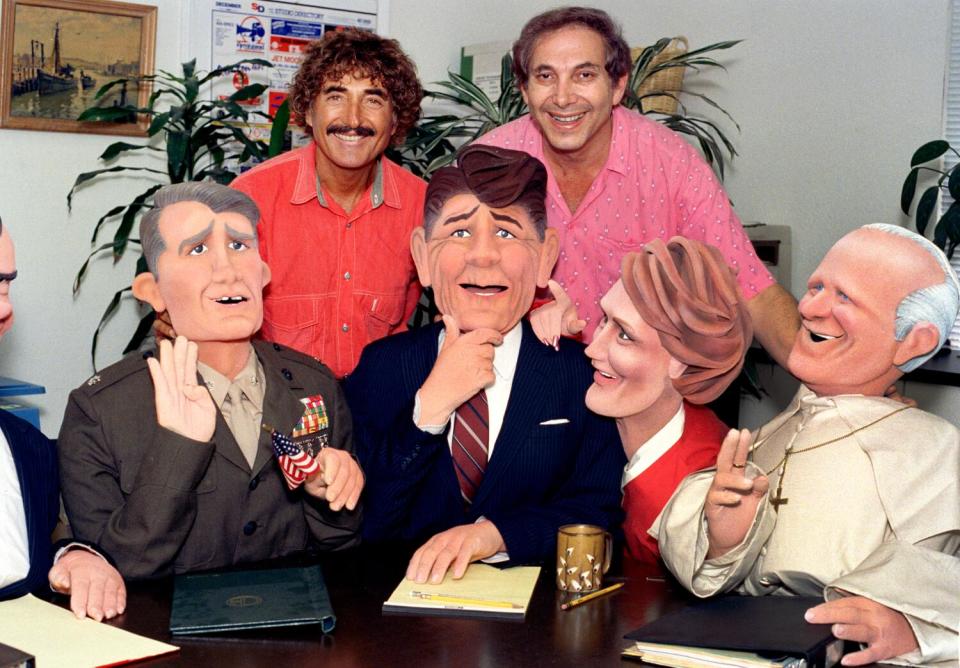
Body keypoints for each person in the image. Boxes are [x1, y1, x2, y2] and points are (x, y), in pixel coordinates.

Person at [655, 224, 960, 665]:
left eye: (844, 298)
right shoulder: (765, 435)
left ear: (914, 341)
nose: (810, 307)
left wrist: (914, 630)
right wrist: (722, 540)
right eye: (816, 286)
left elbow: (937, 587)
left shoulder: (935, 453)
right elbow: (704, 576)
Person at [344, 145, 624, 584]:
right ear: (422, 256)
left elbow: (600, 512)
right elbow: (362, 522)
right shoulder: (381, 367)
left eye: (507, 234)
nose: (483, 255)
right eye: (458, 233)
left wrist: (496, 535)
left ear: (545, 257)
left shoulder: (580, 375)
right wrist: (428, 412)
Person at [58, 183, 363, 579]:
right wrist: (178, 449)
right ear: (153, 291)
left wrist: (327, 496)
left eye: (240, 246)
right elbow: (113, 571)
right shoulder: (102, 411)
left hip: (298, 627)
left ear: (264, 273)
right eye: (197, 250)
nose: (228, 270)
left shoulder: (313, 385)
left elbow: (345, 547)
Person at [476, 7, 799, 367]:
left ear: (617, 86)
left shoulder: (670, 162)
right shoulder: (486, 163)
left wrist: (830, 382)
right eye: (545, 76)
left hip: (635, 392)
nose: (563, 97)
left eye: (584, 74)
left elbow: (748, 285)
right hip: (518, 382)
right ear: (524, 89)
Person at [229, 27, 427, 377]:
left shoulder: (420, 203)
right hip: (277, 401)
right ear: (307, 112)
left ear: (395, 120)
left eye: (374, 99)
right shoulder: (252, 197)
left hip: (379, 404)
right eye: (335, 96)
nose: (353, 119)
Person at [584, 238, 751, 565]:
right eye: (603, 320)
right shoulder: (634, 425)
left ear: (682, 362)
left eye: (624, 335)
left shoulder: (688, 491)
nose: (592, 349)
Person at [0, 219, 125, 620]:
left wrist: (73, 556)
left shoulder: (28, 447)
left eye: (5, 285)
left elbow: (18, 567)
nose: (5, 307)